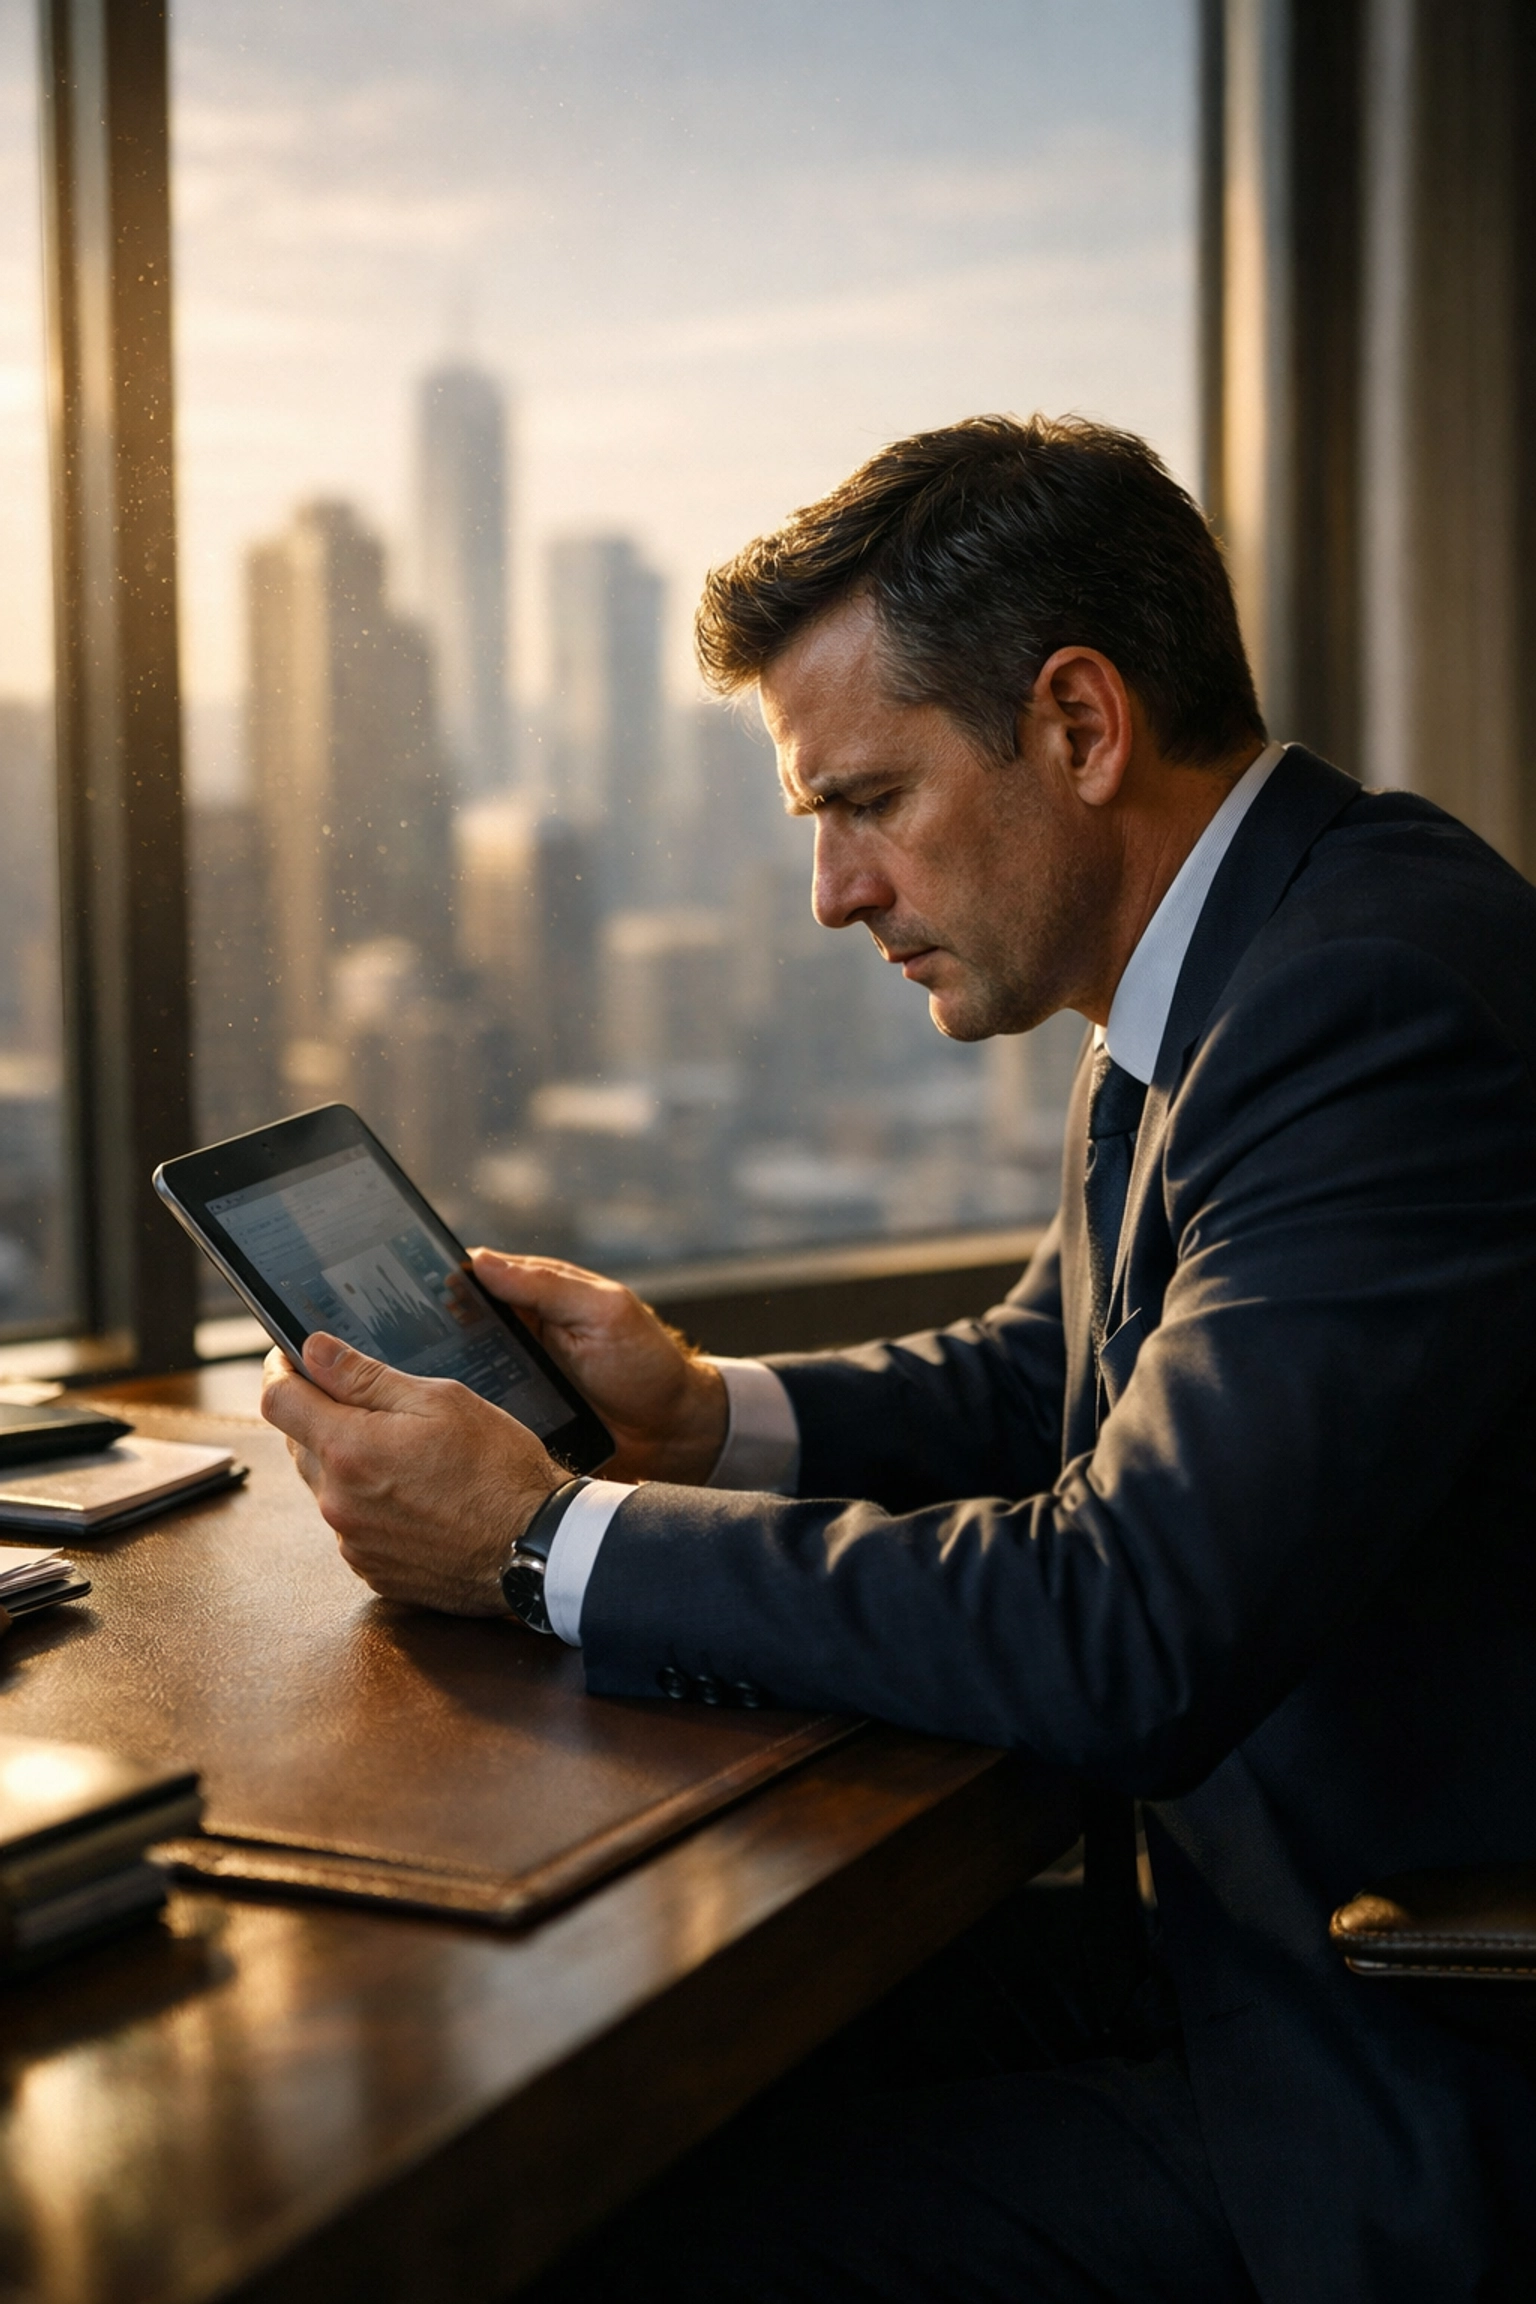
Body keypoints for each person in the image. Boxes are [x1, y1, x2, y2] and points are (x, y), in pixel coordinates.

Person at [263, 416, 1536, 2302]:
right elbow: (1054, 1381)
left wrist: (541, 1541)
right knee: (650, 2079)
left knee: (615, 2227)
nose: (833, 891)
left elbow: (1131, 1618)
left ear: (1081, 726)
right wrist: (699, 1415)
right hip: (1253, 1930)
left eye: (864, 799)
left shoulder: (1366, 1003)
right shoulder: (1251, 959)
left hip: (1396, 2060)